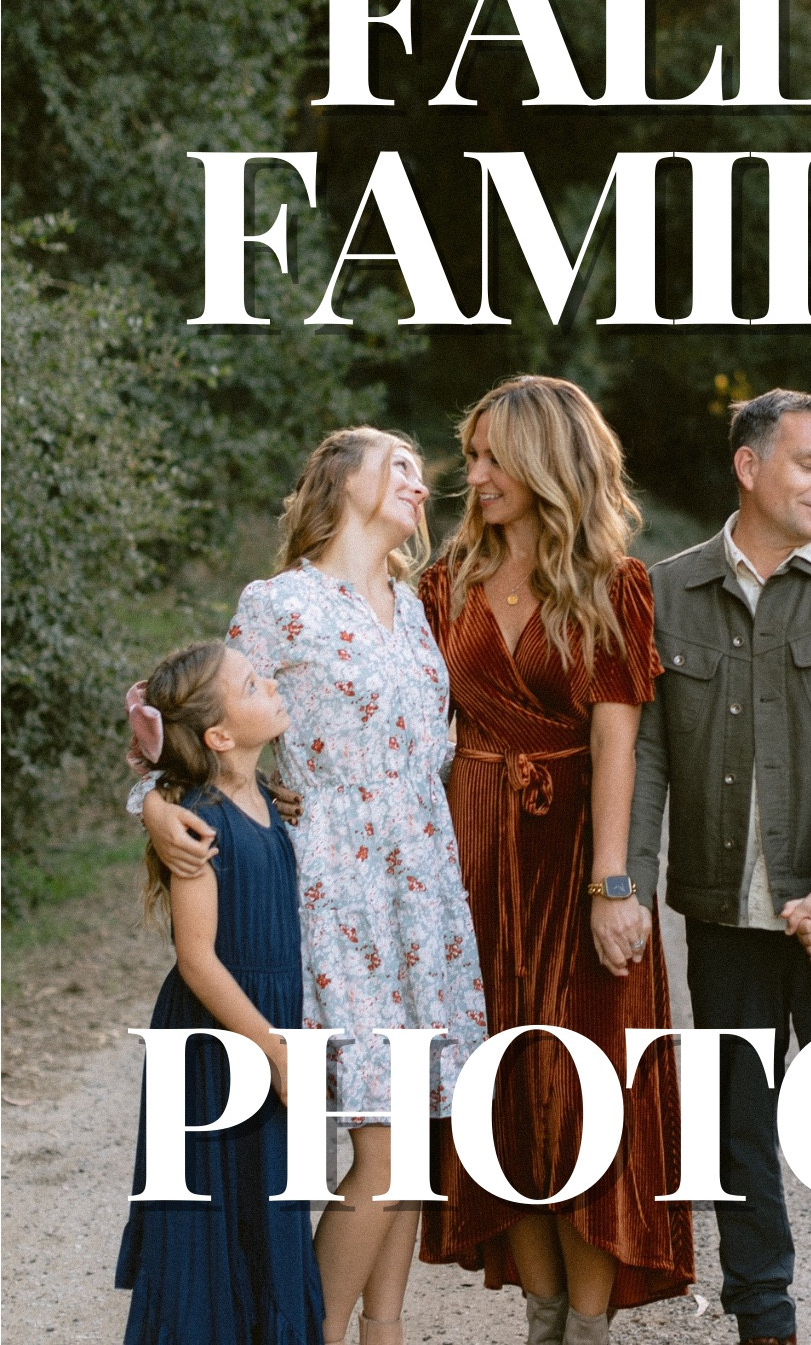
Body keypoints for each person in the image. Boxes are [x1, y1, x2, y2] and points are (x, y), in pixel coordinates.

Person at [135, 428, 488, 1345]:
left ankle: (385, 1333)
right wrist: (151, 803)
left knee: (416, 1129)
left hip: (423, 886)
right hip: (337, 887)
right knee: (384, 1139)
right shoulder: (280, 603)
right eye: (398, 465)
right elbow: (185, 718)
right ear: (341, 484)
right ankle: (313, 1333)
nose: (420, 482)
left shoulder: (416, 605)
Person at [626, 388, 811, 1345]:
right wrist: (625, 883)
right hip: (721, 914)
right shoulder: (665, 591)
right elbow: (646, 756)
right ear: (749, 467)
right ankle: (765, 1320)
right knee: (737, 1124)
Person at [417, 375, 693, 1345]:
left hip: (574, 848)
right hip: (472, 857)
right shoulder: (443, 582)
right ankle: (543, 1323)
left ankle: (588, 1326)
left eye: (495, 456)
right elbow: (404, 721)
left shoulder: (616, 585)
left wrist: (613, 885)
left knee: (585, 1097)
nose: (476, 474)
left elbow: (617, 744)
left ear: (546, 462)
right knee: (500, 1099)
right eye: (472, 455)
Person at [115, 640, 325, 1344]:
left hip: (264, 1030)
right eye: (253, 684)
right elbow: (198, 960)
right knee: (208, 1221)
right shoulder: (198, 823)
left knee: (264, 1212)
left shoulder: (267, 800)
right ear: (219, 737)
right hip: (218, 1038)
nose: (272, 686)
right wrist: (275, 1053)